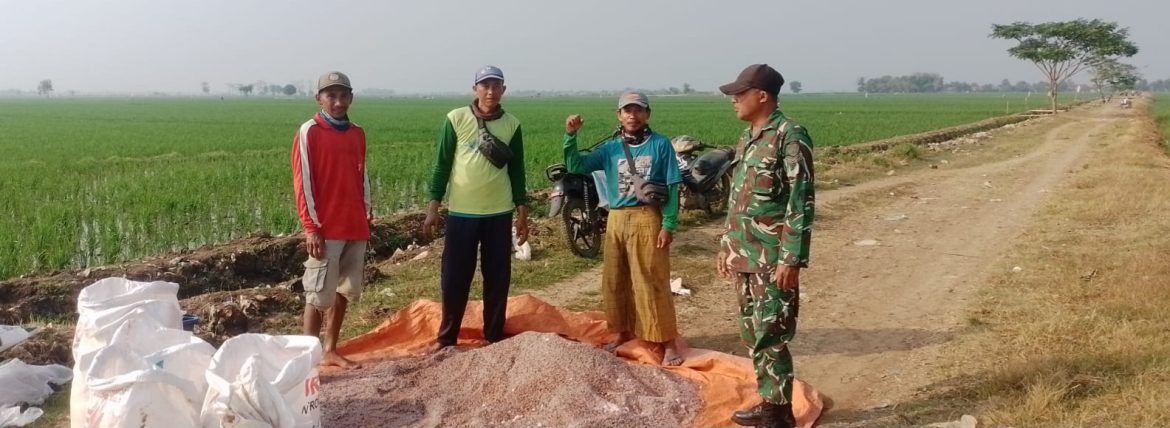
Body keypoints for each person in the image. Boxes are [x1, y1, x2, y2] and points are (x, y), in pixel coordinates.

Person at [715, 64, 815, 428]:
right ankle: (767, 397)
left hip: (773, 259)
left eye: (739, 94)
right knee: (751, 332)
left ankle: (778, 414)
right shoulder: (749, 138)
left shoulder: (790, 135)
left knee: (771, 334)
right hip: (745, 254)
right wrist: (727, 244)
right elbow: (738, 200)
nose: (733, 101)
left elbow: (800, 202)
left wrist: (791, 259)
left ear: (762, 95)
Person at [562, 91, 685, 366]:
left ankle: (667, 342)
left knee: (651, 280)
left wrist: (668, 224)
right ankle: (621, 332)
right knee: (615, 280)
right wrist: (571, 136)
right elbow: (576, 166)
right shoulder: (611, 149)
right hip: (616, 218)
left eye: (638, 110)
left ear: (647, 114)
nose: (633, 115)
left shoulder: (661, 145)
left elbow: (673, 184)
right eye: (627, 110)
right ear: (619, 115)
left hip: (647, 217)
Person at [423, 65, 528, 351]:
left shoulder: (512, 125)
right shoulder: (455, 119)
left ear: (503, 90)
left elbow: (517, 171)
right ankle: (447, 338)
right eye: (485, 86)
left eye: (496, 86)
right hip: (461, 214)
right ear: (475, 89)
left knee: (497, 278)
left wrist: (522, 213)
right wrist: (433, 207)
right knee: (455, 278)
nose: (490, 91)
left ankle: (493, 336)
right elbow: (442, 164)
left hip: (498, 213)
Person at [291, 71, 372, 369]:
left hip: (354, 224)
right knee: (317, 293)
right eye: (331, 96)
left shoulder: (357, 133)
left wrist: (367, 213)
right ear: (319, 99)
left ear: (351, 97)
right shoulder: (310, 131)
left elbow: (362, 175)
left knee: (344, 291)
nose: (338, 102)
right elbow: (303, 183)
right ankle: (306, 359)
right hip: (326, 228)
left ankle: (330, 349)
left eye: (343, 96)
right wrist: (311, 227)